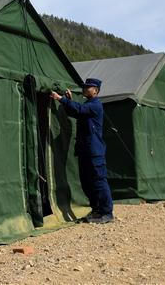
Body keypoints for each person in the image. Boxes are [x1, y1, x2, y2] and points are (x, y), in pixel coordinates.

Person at [50, 77, 113, 223]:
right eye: (84, 87)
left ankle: (107, 212)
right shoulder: (88, 105)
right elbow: (77, 112)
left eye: (88, 87)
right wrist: (68, 101)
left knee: (98, 181)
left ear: (96, 91)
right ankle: (96, 210)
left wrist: (60, 99)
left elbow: (80, 109)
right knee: (87, 182)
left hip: (94, 151)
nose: (85, 89)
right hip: (85, 150)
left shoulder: (96, 105)